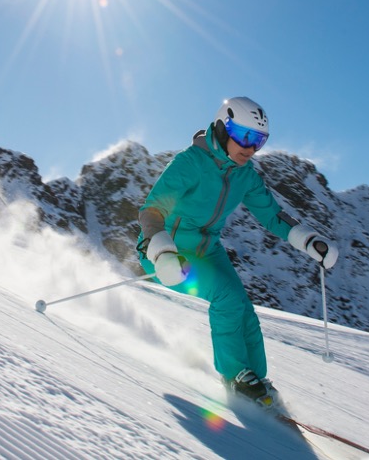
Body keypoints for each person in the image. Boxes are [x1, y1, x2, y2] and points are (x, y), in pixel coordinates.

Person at [136, 96, 338, 409]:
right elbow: (152, 210)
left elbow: (272, 215)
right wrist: (161, 252)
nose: (249, 147)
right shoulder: (190, 162)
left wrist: (307, 239)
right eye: (244, 136)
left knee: (244, 309)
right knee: (227, 299)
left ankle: (256, 378)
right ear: (221, 127)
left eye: (258, 140)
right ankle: (234, 378)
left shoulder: (246, 175)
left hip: (208, 248)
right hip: (170, 251)